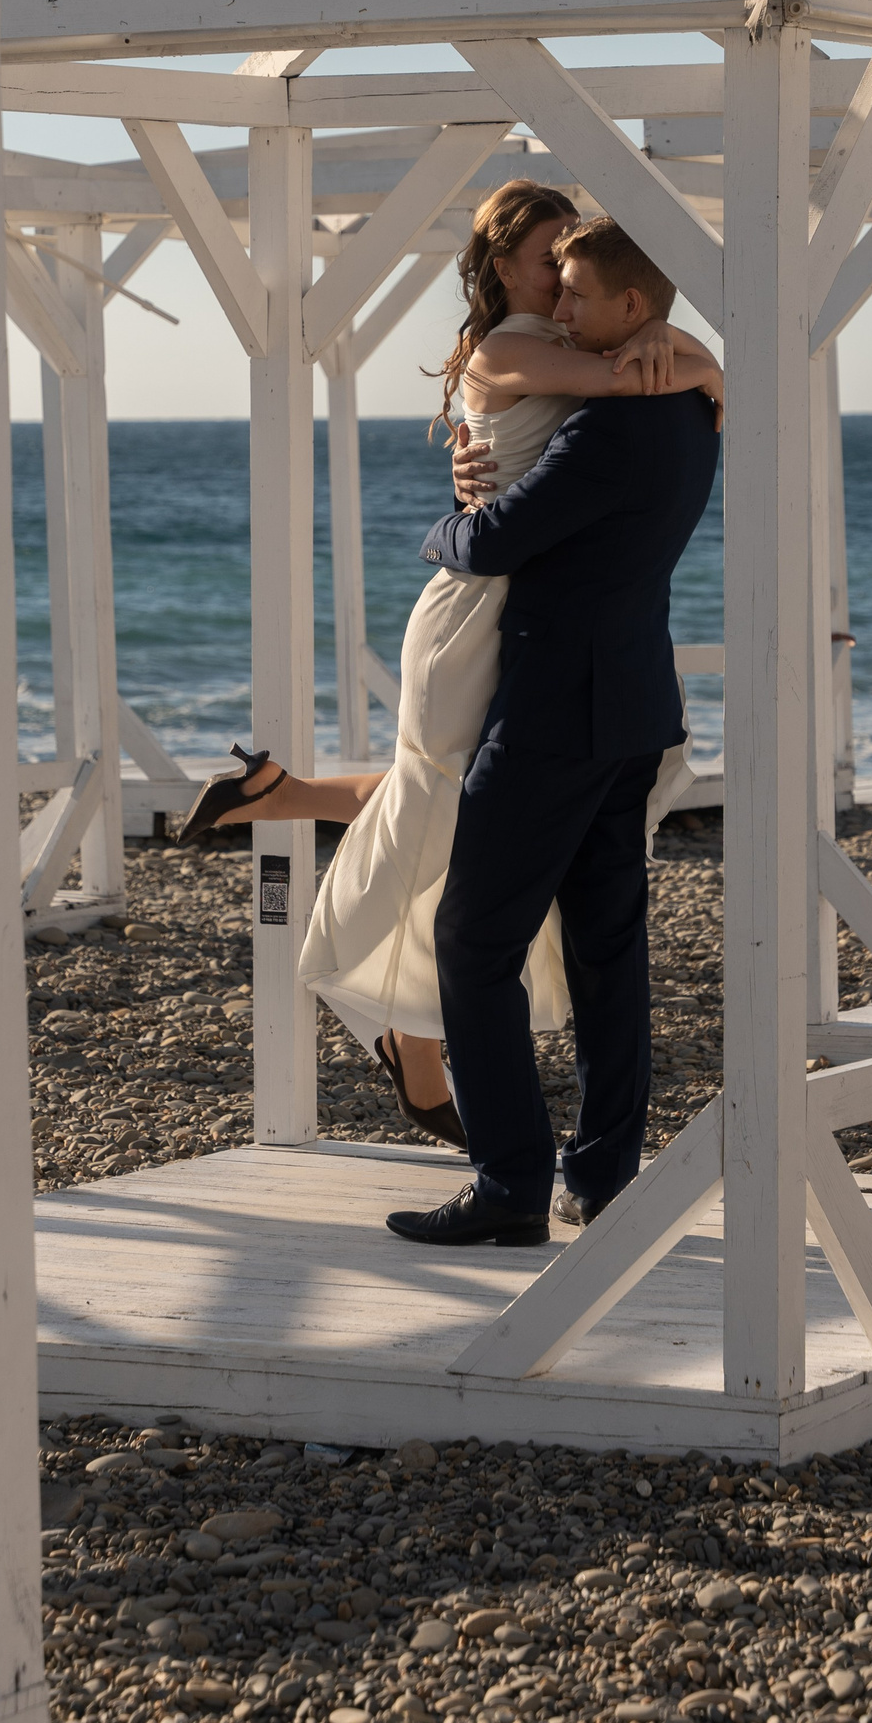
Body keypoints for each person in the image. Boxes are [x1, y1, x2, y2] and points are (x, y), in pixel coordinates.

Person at [174, 182, 722, 1148]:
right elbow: (628, 380)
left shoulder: (569, 336)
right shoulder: (509, 348)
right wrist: (692, 360)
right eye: (551, 260)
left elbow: (642, 372)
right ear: (504, 265)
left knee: (453, 808)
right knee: (441, 806)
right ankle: (390, 1007)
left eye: (575, 265)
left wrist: (684, 351)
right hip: (476, 606)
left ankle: (300, 830)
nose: (564, 279)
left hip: (530, 604)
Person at [383, 215, 722, 1249]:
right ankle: (604, 1176)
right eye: (556, 287)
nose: (562, 309)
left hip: (553, 714)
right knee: (608, 952)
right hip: (634, 707)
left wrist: (438, 525)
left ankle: (512, 1184)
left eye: (577, 293)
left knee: (472, 942)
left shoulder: (608, 427)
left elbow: (494, 542)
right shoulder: (689, 412)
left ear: (633, 305)